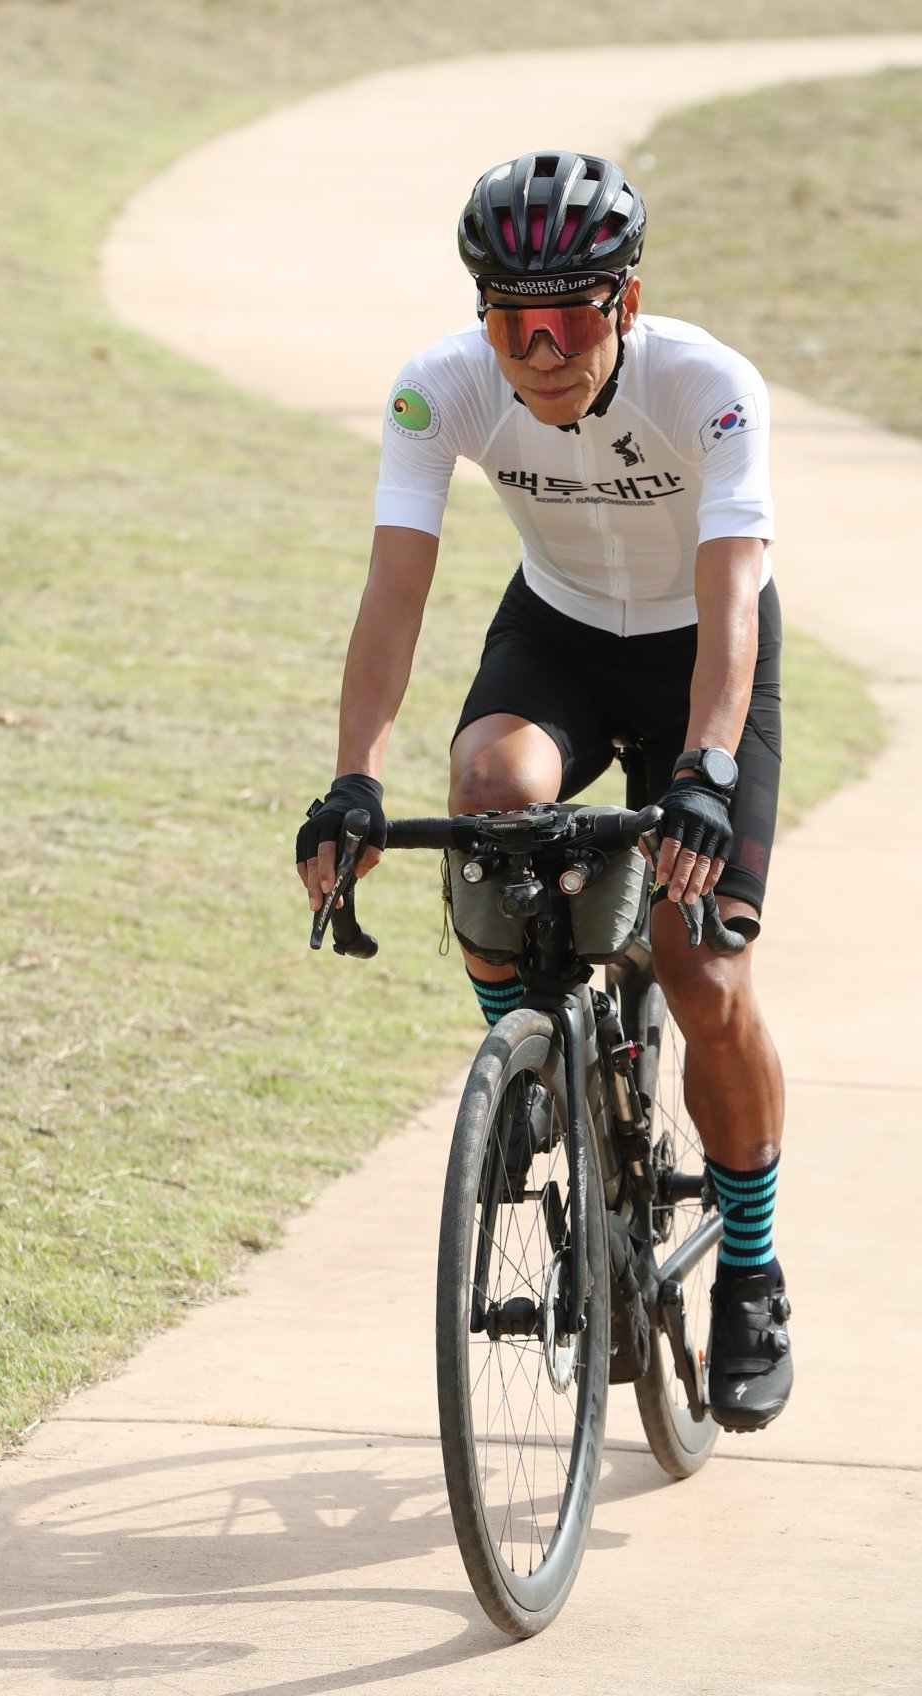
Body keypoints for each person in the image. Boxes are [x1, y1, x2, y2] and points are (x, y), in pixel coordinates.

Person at [296, 150, 791, 1432]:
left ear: (628, 302)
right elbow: (395, 590)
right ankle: (521, 1051)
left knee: (704, 971)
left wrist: (709, 766)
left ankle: (750, 1269)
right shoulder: (440, 392)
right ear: (483, 320)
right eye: (518, 323)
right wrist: (354, 778)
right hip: (562, 635)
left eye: (574, 317)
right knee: (488, 790)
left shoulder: (710, 386)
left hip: (700, 651)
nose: (548, 348)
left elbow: (734, 597)